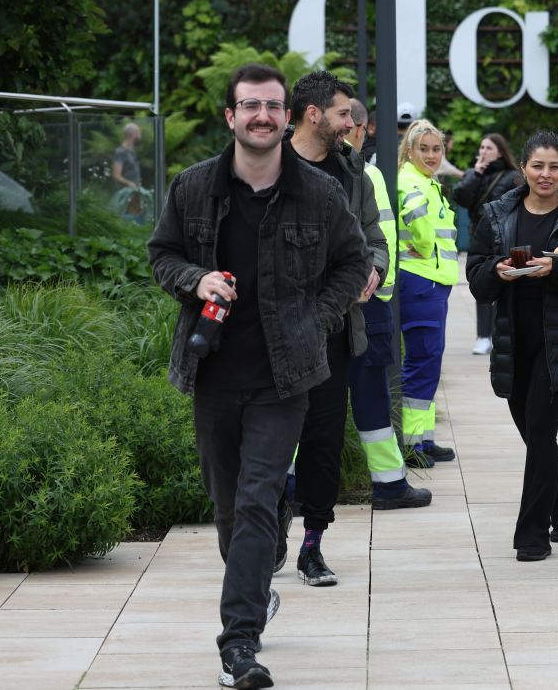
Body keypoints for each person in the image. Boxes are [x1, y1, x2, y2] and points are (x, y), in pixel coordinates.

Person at [148, 63, 368, 690]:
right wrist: (197, 280)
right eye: (251, 107)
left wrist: (316, 320)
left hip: (286, 374)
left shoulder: (319, 194)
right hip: (213, 370)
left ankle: (238, 643)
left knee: (254, 499)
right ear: (231, 116)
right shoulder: (193, 188)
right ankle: (257, 573)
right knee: (231, 510)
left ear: (287, 115)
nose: (262, 117)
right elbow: (162, 254)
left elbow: (353, 265)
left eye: (272, 106)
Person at [467, 131, 558, 561]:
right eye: (538, 166)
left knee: (542, 431)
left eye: (555, 167)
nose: (546, 175)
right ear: (523, 167)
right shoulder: (496, 215)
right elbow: (476, 279)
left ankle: (531, 534)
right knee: (534, 434)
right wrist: (499, 270)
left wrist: (556, 269)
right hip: (515, 342)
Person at [282, 71, 389, 588]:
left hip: (336, 330)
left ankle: (312, 546)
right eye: (345, 113)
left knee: (323, 440)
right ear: (314, 114)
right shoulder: (266, 167)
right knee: (270, 438)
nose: (353, 122)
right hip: (272, 332)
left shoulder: (354, 175)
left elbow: (374, 238)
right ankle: (269, 522)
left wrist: (374, 269)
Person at [343, 99, 433, 510]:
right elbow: (382, 239)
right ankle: (389, 484)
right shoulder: (370, 173)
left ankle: (289, 486)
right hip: (370, 302)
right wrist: (382, 288)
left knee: (304, 399)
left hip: (344, 299)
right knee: (372, 396)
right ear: (362, 129)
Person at [396, 118, 460, 467]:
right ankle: (412, 444)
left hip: (431, 281)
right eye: (424, 149)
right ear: (410, 149)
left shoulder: (423, 181)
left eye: (437, 149)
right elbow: (419, 227)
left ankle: (422, 437)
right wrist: (422, 243)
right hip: (421, 280)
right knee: (422, 360)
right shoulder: (411, 181)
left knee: (429, 360)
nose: (432, 155)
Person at [451, 133, 524, 355]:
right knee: (482, 285)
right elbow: (460, 197)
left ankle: (506, 334)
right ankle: (483, 336)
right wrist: (476, 173)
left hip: (507, 239)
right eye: (481, 147)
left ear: (500, 152)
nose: (483, 152)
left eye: (488, 148)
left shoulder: (512, 176)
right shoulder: (476, 175)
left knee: (509, 287)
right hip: (480, 238)